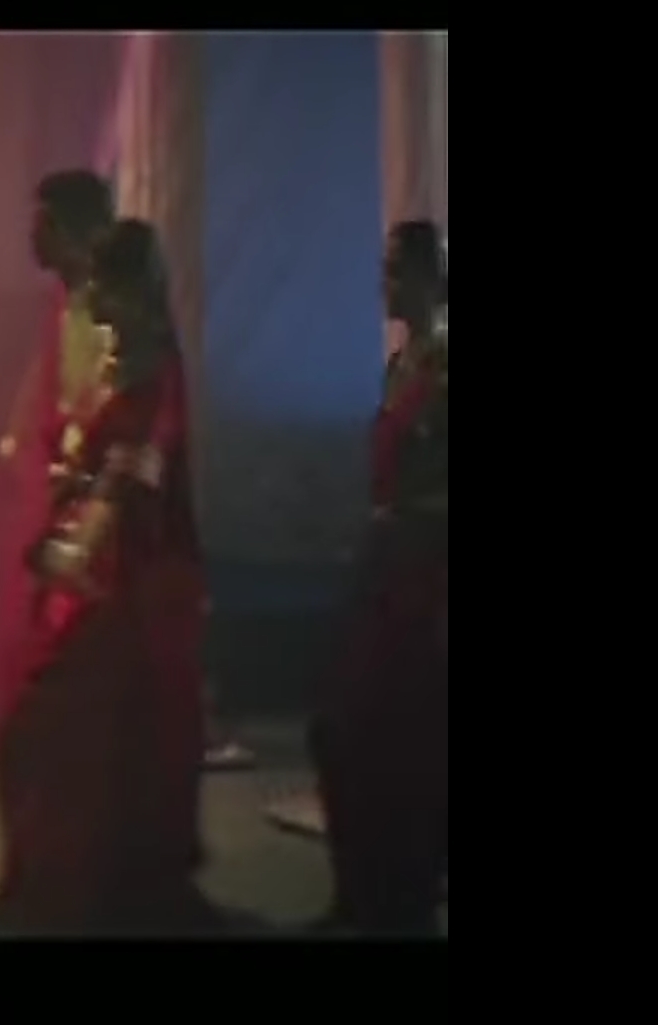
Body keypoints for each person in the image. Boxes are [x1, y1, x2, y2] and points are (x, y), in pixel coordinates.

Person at [0, 218, 217, 933]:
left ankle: (85, 886)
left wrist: (79, 548)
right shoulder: (118, 358)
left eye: (104, 285)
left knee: (66, 723)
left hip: (131, 577)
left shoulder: (156, 371)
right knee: (51, 727)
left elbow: (130, 475)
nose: (93, 299)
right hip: (96, 562)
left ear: (133, 288)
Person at [308, 220, 448, 935]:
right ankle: (358, 894)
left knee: (405, 734)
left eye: (395, 271)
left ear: (428, 277)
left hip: (428, 567)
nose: (383, 284)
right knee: (340, 729)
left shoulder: (444, 367)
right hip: (386, 558)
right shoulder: (400, 364)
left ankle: (401, 898)